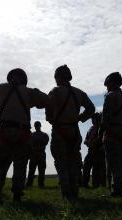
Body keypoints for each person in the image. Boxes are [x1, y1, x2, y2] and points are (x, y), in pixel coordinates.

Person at [0, 68, 49, 202]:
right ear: (24, 80)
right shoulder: (29, 92)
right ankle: (17, 195)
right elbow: (46, 101)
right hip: (23, 133)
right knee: (20, 165)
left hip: (4, 132)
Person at [46, 65, 95, 202]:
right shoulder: (79, 93)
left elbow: (48, 111)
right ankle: (75, 193)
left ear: (58, 77)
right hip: (74, 131)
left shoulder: (55, 91)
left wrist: (53, 120)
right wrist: (79, 118)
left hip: (59, 130)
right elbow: (91, 108)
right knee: (73, 163)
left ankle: (67, 195)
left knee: (61, 163)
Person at [99, 72, 122, 197]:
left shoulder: (110, 96)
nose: (106, 87)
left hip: (111, 132)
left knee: (113, 164)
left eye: (107, 84)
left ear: (112, 83)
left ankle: (116, 190)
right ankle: (118, 188)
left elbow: (105, 118)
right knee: (120, 163)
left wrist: (100, 133)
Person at [82, 113, 106, 188]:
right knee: (86, 166)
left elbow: (102, 140)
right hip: (91, 151)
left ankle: (97, 185)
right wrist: (87, 142)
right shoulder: (91, 129)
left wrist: (95, 144)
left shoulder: (102, 129)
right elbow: (86, 139)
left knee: (97, 169)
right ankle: (84, 184)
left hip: (99, 151)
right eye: (92, 119)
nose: (92, 120)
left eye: (93, 119)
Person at [26, 121, 49, 188]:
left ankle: (40, 184)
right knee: (32, 170)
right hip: (35, 155)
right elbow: (30, 144)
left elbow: (44, 143)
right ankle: (30, 184)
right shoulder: (42, 135)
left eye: (37, 125)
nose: (37, 127)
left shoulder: (43, 135)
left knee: (41, 170)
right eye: (36, 126)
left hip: (39, 154)